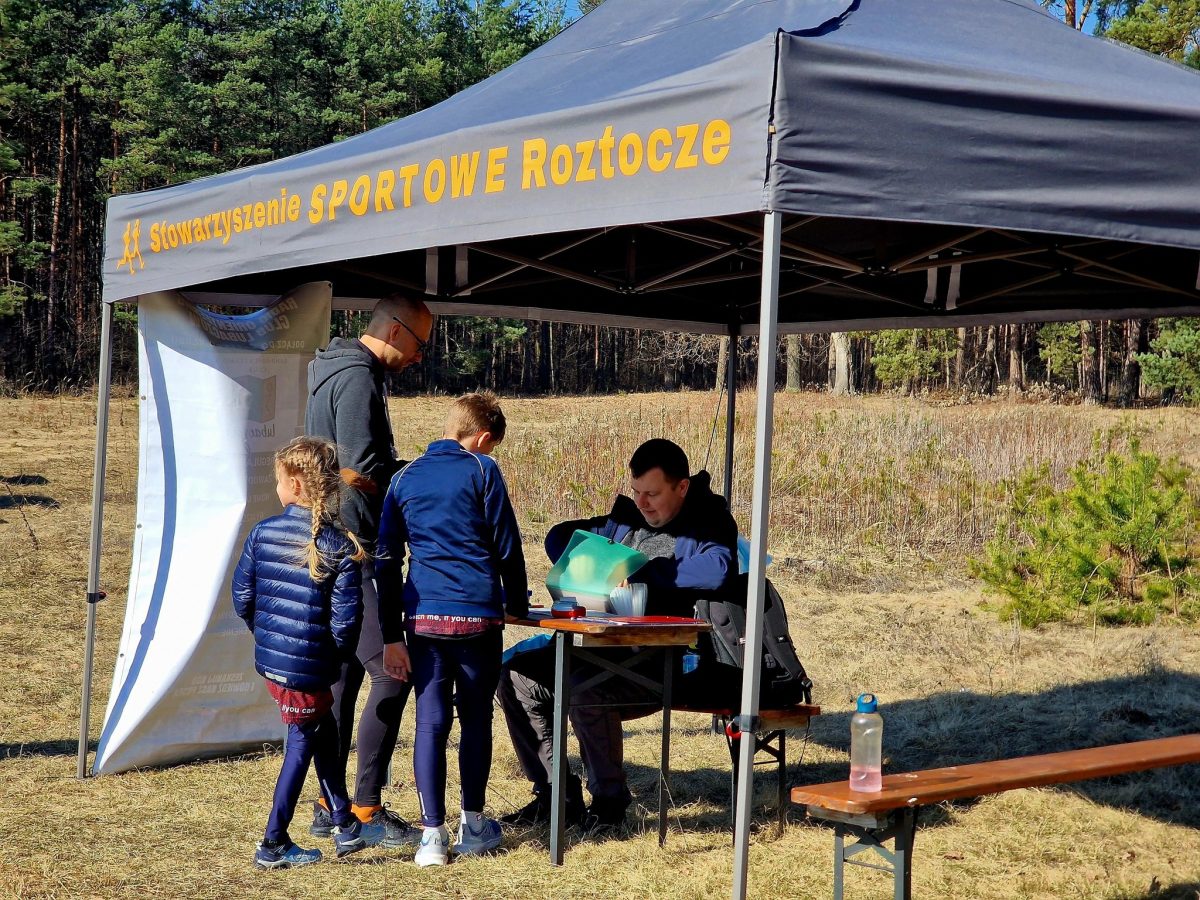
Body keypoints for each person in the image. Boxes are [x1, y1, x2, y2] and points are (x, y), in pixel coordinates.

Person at [497, 438, 738, 831]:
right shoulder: (624, 521)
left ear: (682, 487)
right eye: (637, 492)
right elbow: (559, 536)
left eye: (653, 494)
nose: (643, 503)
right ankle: (554, 795)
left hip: (666, 661)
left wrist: (639, 572)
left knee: (585, 686)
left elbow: (719, 569)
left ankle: (609, 803)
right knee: (517, 675)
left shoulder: (708, 525)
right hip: (599, 645)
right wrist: (595, 558)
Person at [376, 391, 529, 866]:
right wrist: (518, 601)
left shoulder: (403, 478)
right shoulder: (483, 470)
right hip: (479, 616)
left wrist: (390, 634)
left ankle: (432, 837)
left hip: (422, 618)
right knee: (476, 719)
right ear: (482, 437)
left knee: (431, 722)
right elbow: (507, 545)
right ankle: (474, 822)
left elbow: (386, 560)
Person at [304, 293, 433, 846]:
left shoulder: (332, 368)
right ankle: (362, 808)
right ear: (397, 331)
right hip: (355, 543)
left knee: (343, 677)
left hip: (329, 540)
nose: (419, 358)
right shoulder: (358, 377)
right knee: (389, 668)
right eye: (420, 346)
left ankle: (328, 804)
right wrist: (411, 481)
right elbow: (359, 466)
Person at [232, 436, 370, 869]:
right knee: (302, 742)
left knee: (319, 732)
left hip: (276, 666)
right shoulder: (342, 546)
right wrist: (327, 658)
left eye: (277, 480)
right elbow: (347, 623)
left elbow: (242, 598)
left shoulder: (262, 532)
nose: (275, 488)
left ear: (293, 484)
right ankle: (273, 842)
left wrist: (271, 636)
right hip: (311, 668)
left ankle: (344, 823)